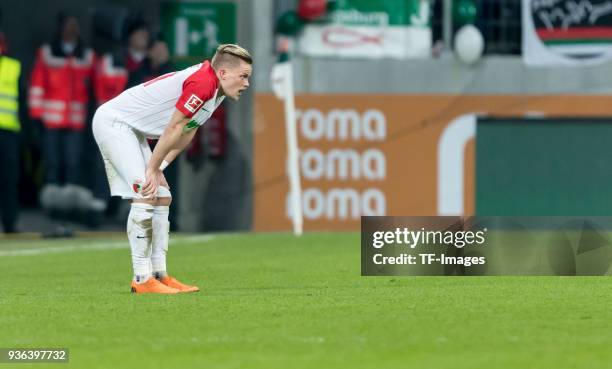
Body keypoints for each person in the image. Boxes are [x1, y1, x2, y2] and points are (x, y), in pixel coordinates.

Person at [92, 44, 252, 294]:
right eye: (243, 76)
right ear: (223, 73)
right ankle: (141, 278)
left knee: (163, 195)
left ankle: (159, 274)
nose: (246, 83)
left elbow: (188, 131)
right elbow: (174, 128)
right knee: (146, 192)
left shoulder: (216, 91)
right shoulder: (202, 84)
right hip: (114, 123)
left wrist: (160, 167)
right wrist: (152, 169)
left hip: (133, 130)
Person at [29, 13, 97, 214]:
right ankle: (52, 207)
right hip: (51, 121)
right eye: (69, 25)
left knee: (73, 163)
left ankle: (70, 208)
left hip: (76, 122)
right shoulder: (47, 53)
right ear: (60, 28)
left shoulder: (87, 55)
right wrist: (36, 114)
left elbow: (96, 88)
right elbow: (37, 85)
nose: (72, 29)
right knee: (53, 163)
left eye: (75, 25)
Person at [0, 18, 22, 233]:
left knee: (8, 180)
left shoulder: (13, 67)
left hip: (8, 133)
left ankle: (10, 224)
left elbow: (22, 101)